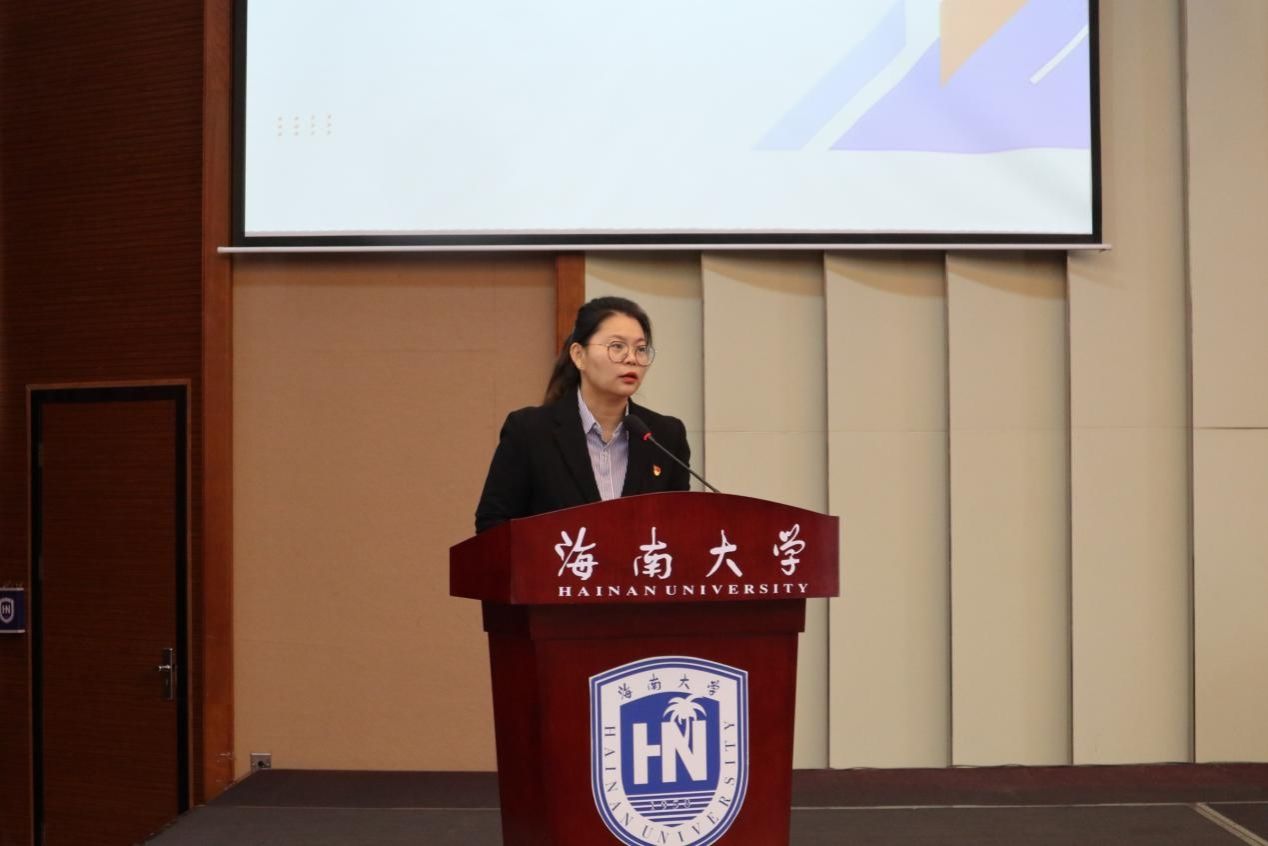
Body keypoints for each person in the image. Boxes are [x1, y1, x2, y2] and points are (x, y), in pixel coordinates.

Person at [474, 296, 691, 533]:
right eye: (617, 346)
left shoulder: (665, 436)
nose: (631, 358)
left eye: (640, 349)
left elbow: (679, 528)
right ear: (579, 355)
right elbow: (493, 525)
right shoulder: (530, 432)